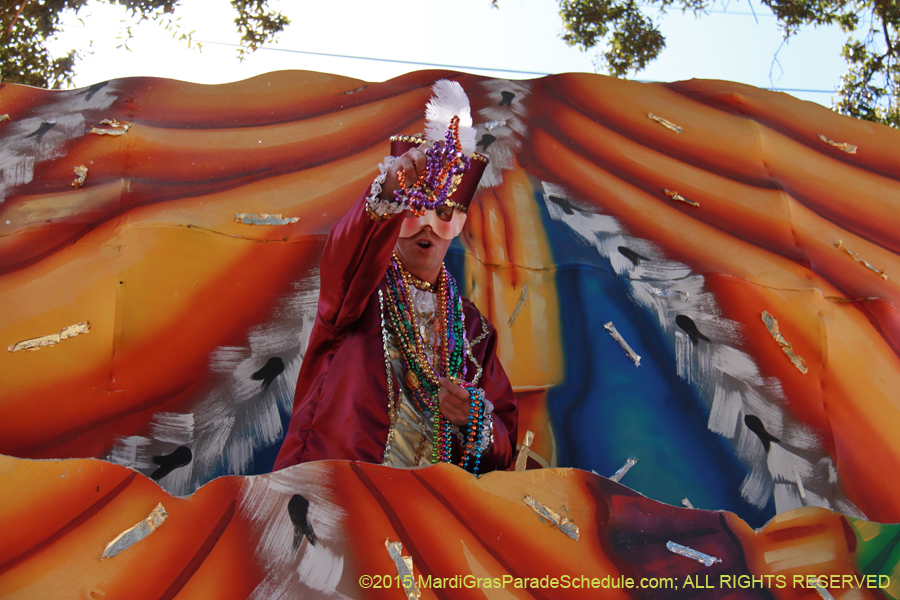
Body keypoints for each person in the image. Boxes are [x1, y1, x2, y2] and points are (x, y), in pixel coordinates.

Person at [274, 81, 517, 474]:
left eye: (443, 215)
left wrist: (473, 419)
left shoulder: (474, 329)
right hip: (337, 501)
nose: (427, 228)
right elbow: (349, 256)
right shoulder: (359, 292)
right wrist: (389, 191)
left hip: (430, 518)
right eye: (414, 212)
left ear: (459, 224)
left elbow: (505, 446)